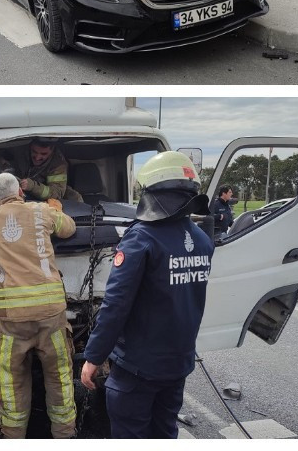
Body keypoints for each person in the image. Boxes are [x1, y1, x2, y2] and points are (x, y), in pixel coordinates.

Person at [81, 152, 213, 439]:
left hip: (137, 368)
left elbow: (116, 304)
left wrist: (93, 356)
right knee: (165, 431)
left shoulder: (142, 237)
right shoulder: (202, 241)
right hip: (177, 364)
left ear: (152, 192)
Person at [0, 173, 77, 438]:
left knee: (11, 382)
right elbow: (69, 228)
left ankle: (13, 437)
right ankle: (65, 435)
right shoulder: (42, 212)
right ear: (21, 192)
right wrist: (56, 208)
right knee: (60, 378)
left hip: (11, 322)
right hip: (50, 316)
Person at [3, 140, 83, 203]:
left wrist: (33, 186)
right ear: (30, 147)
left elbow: (56, 193)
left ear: (52, 151)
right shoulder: (19, 149)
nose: (37, 157)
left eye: (43, 154)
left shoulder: (59, 164)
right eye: (34, 152)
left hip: (47, 201)